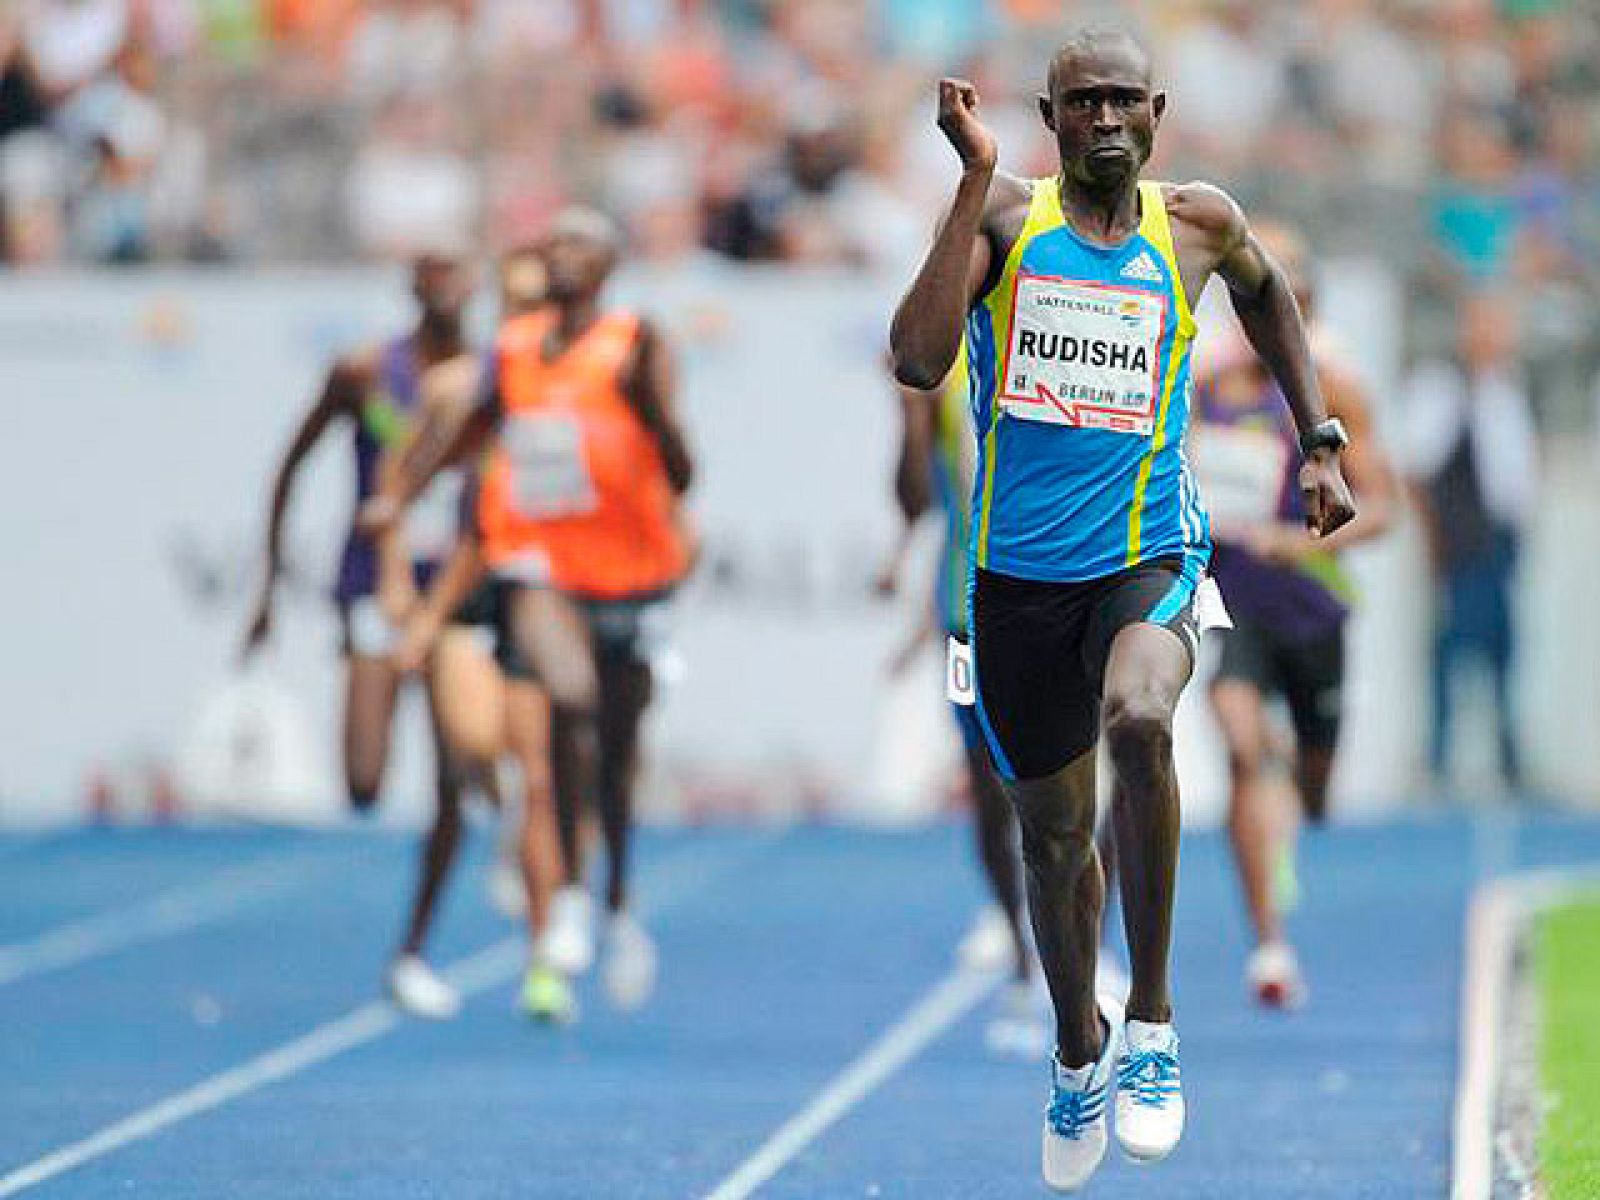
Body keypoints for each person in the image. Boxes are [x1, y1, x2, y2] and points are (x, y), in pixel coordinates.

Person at [888, 30, 1356, 1192]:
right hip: (1014, 581)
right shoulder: (1006, 218)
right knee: (1053, 844)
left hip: (1148, 552)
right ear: (1050, 118)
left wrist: (1318, 437)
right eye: (1081, 102)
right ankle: (1076, 1048)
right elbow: (917, 359)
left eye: (1121, 100)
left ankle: (1150, 1022)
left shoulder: (1194, 224)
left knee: (1143, 719)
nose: (1103, 118)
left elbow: (1268, 296)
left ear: (1156, 113)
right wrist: (967, 183)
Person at [366, 208, 696, 1013]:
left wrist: (652, 411)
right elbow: (469, 436)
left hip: (631, 576)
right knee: (567, 700)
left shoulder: (635, 342)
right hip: (543, 569)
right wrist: (400, 497)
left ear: (609, 262)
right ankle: (569, 897)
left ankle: (615, 900)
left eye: (576, 243)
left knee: (615, 756)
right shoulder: (513, 351)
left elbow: (682, 472)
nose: (558, 254)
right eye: (552, 244)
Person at [241, 252, 485, 1019]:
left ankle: (413, 947)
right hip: (375, 586)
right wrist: (267, 588)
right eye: (433, 277)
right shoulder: (365, 372)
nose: (447, 291)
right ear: (412, 290)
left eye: (459, 277)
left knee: (453, 779)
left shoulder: (490, 375)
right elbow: (290, 466)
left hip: (453, 595)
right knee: (365, 780)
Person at [1189, 222, 1397, 1010]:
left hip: (1312, 611)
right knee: (1240, 749)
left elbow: (1385, 509)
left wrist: (1298, 541)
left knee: (1314, 790)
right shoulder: (1205, 390)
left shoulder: (1333, 392)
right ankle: (1269, 945)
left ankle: (1296, 777)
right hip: (1234, 604)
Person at [878, 351, 1043, 1056]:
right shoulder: (945, 387)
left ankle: (1087, 940)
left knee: (1079, 780)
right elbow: (914, 500)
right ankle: (1018, 941)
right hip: (965, 616)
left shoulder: (1047, 354)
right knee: (987, 786)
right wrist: (911, 415)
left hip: (1057, 606)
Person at [1403, 291, 1536, 793]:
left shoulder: (1509, 390)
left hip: (1502, 543)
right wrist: (1434, 542)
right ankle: (1438, 760)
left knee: (1504, 649)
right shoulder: (1444, 390)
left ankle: (1509, 759)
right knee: (1451, 648)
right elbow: (1418, 471)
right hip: (1462, 544)